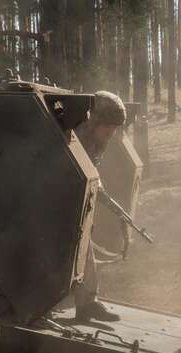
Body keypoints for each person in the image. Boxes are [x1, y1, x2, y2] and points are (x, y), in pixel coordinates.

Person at [73, 90, 127, 322]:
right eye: (108, 127)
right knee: (80, 243)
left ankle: (87, 304)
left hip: (70, 204)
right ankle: (86, 303)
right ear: (94, 121)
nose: (111, 133)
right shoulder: (72, 137)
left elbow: (91, 176)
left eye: (115, 128)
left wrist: (114, 207)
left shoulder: (92, 141)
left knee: (83, 243)